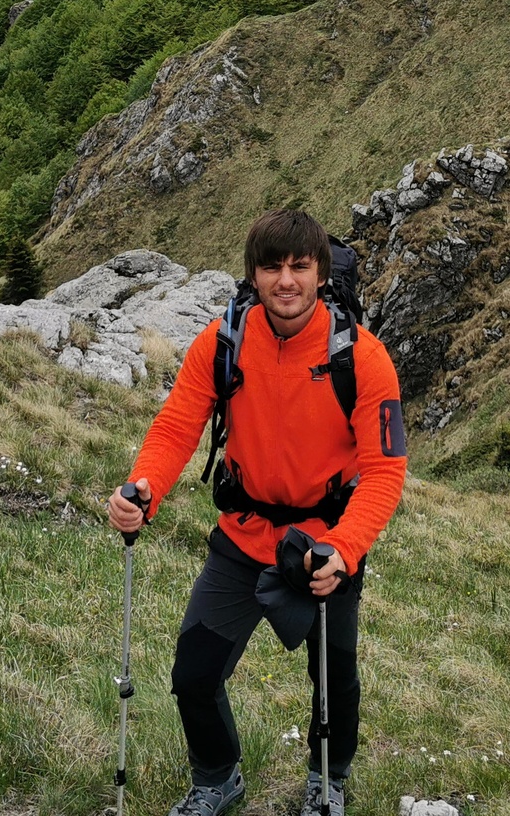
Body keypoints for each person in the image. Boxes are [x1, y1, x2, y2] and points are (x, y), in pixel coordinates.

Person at [107, 209, 408, 816]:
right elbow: (176, 427)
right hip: (242, 540)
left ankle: (329, 781)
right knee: (193, 674)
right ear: (254, 275)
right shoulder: (222, 342)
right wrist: (143, 488)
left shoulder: (362, 358)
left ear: (321, 273)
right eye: (272, 267)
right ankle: (217, 780)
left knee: (333, 684)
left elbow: (384, 469)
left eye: (299, 266)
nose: (286, 280)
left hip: (323, 547)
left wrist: (344, 549)